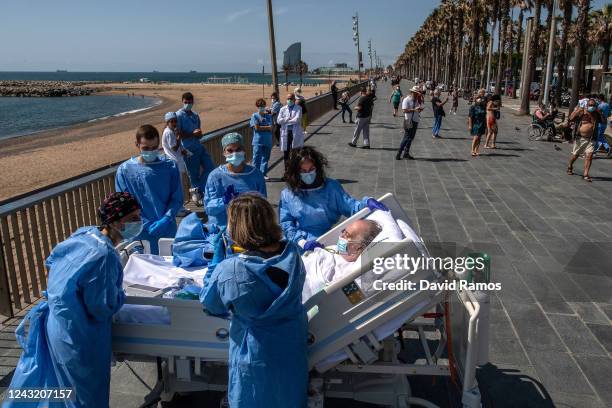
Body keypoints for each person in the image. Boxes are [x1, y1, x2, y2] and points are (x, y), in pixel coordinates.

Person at [5, 192, 138, 408]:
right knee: (84, 396)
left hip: (56, 324)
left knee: (57, 387)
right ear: (115, 221)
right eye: (132, 218)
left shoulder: (84, 235)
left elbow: (53, 261)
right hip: (78, 336)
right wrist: (120, 293)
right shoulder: (104, 256)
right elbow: (102, 307)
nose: (138, 223)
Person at [200, 193, 308, 408]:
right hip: (290, 344)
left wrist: (216, 263)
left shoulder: (232, 269)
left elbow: (211, 304)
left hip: (256, 353)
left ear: (238, 227)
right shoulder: (293, 253)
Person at [279, 146, 388, 249]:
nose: (308, 174)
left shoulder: (331, 187)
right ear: (296, 172)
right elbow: (286, 223)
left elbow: (350, 207)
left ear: (317, 168)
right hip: (298, 243)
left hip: (328, 239)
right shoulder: (288, 194)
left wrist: (366, 203)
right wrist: (302, 242)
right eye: (303, 171)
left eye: (311, 169)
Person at [115, 125, 183, 254]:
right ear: (137, 144)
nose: (150, 151)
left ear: (159, 145)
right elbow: (124, 204)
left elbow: (177, 198)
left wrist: (166, 219)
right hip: (137, 231)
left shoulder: (169, 166)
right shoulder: (125, 170)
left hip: (166, 229)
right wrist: (144, 223)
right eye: (145, 148)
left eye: (154, 148)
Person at [204, 132, 267, 226]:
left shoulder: (256, 175)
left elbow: (263, 205)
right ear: (224, 153)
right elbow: (209, 208)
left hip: (249, 227)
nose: (235, 153)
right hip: (223, 230)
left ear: (244, 151)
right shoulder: (215, 176)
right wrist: (224, 200)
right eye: (230, 150)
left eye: (238, 149)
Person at [176, 92, 215, 205]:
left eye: (189, 102)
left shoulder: (195, 115)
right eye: (185, 102)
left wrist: (198, 134)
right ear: (182, 102)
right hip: (188, 150)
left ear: (193, 102)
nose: (187, 104)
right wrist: (192, 134)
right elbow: (178, 134)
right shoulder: (178, 115)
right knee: (193, 174)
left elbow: (199, 132)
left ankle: (197, 189)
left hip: (199, 145)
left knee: (210, 168)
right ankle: (197, 196)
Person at [566, 99, 605, 182]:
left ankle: (585, 174)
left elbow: (604, 121)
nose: (592, 107)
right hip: (580, 138)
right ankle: (570, 165)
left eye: (594, 105)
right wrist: (576, 111)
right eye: (590, 105)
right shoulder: (582, 112)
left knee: (589, 156)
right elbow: (570, 118)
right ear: (587, 105)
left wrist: (600, 112)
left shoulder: (596, 114)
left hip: (591, 139)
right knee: (575, 155)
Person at [162, 111, 191, 205]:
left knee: (178, 185)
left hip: (176, 161)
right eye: (172, 122)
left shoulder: (171, 131)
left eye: (175, 121)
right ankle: (179, 206)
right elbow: (174, 148)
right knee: (178, 186)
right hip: (174, 162)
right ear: (167, 123)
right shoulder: (169, 132)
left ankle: (180, 205)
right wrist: (178, 138)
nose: (174, 123)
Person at [277, 93, 305, 171]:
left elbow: (297, 119)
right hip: (286, 133)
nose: (289, 100)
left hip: (295, 133)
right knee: (286, 154)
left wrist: (285, 121)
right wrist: (288, 119)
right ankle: (287, 172)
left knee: (295, 153)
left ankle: (295, 171)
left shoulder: (299, 108)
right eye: (288, 99)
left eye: (291, 98)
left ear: (294, 99)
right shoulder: (282, 109)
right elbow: (278, 121)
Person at [396, 85, 424, 160]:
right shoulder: (406, 100)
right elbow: (404, 110)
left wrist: (420, 109)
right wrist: (414, 110)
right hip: (408, 120)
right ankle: (399, 153)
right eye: (415, 93)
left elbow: (418, 107)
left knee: (411, 138)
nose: (416, 94)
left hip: (415, 120)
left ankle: (406, 153)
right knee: (406, 137)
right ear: (411, 92)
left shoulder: (417, 100)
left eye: (417, 93)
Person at [250, 98, 274, 180]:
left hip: (267, 141)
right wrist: (267, 127)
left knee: (265, 158)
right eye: (260, 106)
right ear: (257, 107)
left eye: (263, 106)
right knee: (256, 159)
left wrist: (262, 127)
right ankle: (255, 175)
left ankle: (263, 174)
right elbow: (256, 128)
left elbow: (271, 127)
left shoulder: (269, 116)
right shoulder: (254, 116)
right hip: (258, 141)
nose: (262, 107)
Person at [468, 89, 487, 157]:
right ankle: (472, 150)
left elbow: (485, 114)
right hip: (476, 123)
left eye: (481, 99)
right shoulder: (473, 107)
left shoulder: (483, 106)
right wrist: (470, 125)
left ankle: (476, 150)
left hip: (482, 123)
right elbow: (470, 116)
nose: (480, 100)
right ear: (476, 100)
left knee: (479, 137)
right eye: (478, 99)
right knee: (476, 137)